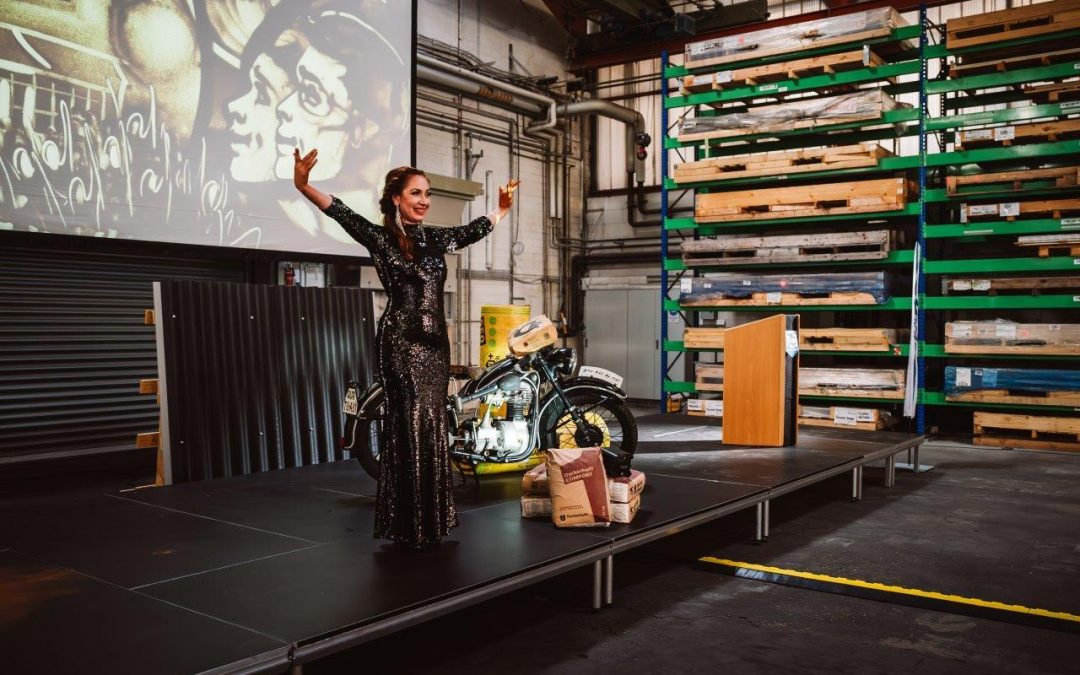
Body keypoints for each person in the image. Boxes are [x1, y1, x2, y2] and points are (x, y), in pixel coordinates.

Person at [293, 147, 519, 548]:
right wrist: (303, 186)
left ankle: (429, 522)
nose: (424, 201)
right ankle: (408, 523)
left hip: (436, 348)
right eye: (416, 193)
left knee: (431, 426)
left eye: (427, 194)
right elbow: (340, 212)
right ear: (396, 198)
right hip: (401, 344)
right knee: (409, 426)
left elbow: (472, 230)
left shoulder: (435, 238)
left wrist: (501, 210)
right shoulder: (381, 238)